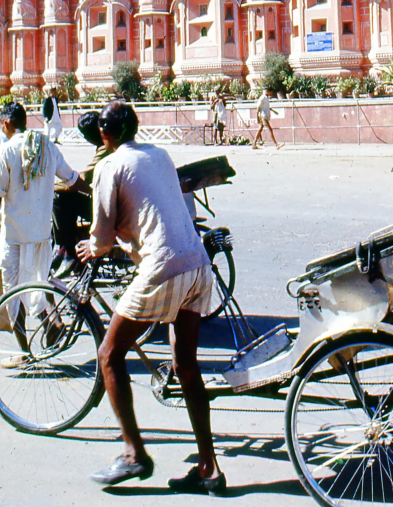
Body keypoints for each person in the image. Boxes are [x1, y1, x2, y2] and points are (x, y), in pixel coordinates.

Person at [76, 101, 226, 494]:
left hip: (163, 267)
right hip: (197, 263)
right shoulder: (159, 154)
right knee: (186, 364)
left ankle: (134, 454)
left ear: (104, 135)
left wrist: (93, 247)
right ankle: (208, 468)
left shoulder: (109, 165)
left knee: (109, 354)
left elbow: (102, 237)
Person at [0, 102, 87, 356]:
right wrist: (95, 195)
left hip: (14, 235)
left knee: (13, 293)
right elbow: (71, 179)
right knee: (39, 282)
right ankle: (52, 323)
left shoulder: (6, 151)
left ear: (6, 123)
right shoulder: (47, 146)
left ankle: (24, 351)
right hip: (41, 233)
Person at [51, 111, 110, 278]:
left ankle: (67, 251)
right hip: (109, 202)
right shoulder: (104, 147)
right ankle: (64, 249)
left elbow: (83, 178)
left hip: (110, 208)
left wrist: (53, 186)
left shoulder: (106, 149)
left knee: (59, 197)